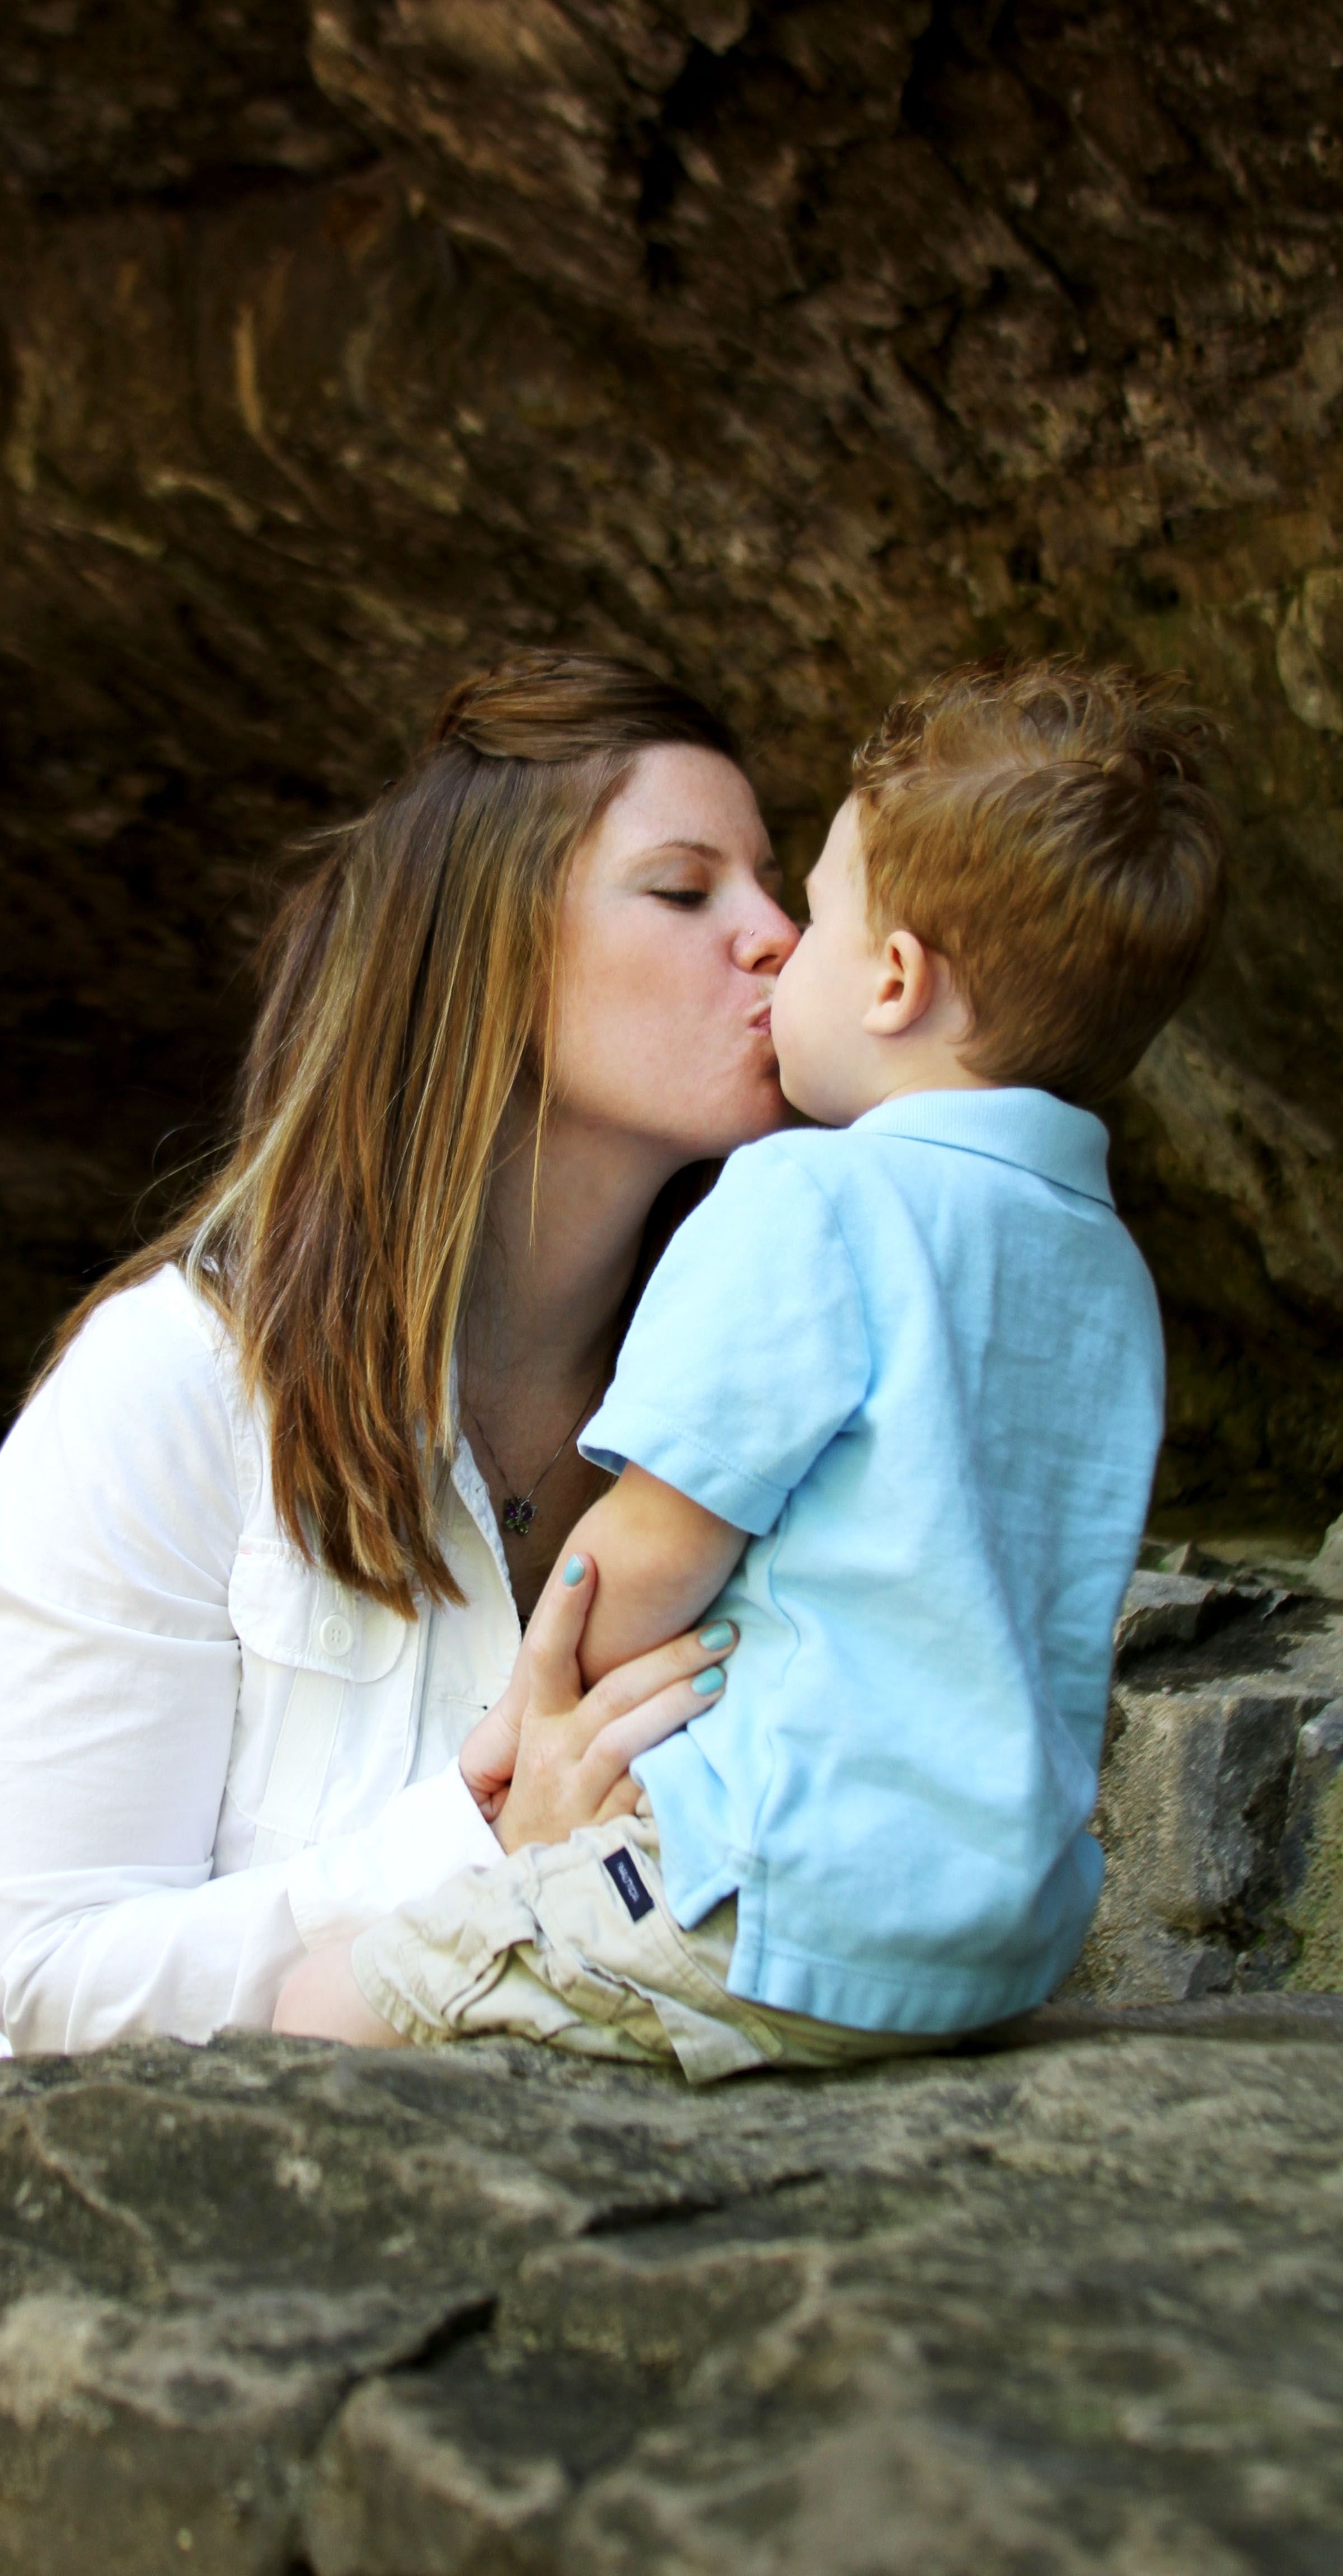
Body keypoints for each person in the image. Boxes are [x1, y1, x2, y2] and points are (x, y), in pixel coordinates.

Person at [276, 661, 1228, 2077]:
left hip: (772, 1886)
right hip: (1000, 1934)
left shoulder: (808, 1202)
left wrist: (513, 1735)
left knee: (321, 2003)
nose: (782, 943)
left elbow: (654, 1548)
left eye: (819, 911)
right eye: (691, 891)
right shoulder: (1104, 1272)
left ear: (896, 980)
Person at [0, 652, 799, 2061]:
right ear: (483, 957)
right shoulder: (174, 1387)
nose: (781, 935)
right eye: (684, 888)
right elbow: (51, 1980)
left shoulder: (779, 1404)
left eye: (779, 887)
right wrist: (479, 1847)